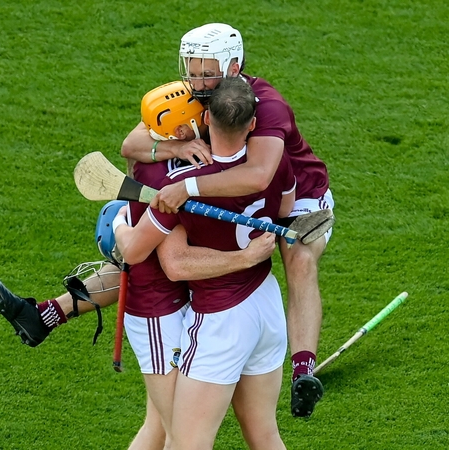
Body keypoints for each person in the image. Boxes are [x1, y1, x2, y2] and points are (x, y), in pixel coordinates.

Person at [0, 81, 276, 450]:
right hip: (158, 310)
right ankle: (45, 315)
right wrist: (122, 226)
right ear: (184, 128)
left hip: (175, 299)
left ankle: (46, 315)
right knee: (178, 437)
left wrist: (124, 216)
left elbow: (133, 145)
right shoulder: (171, 179)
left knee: (158, 428)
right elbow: (144, 253)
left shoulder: (156, 160)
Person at [120, 23, 333, 418]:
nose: (197, 82)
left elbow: (260, 175)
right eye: (192, 70)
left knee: (299, 258)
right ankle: (55, 310)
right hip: (233, 191)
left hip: (296, 193)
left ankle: (303, 371)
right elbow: (131, 144)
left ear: (233, 67)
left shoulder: (265, 107)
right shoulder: (189, 95)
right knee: (153, 260)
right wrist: (177, 147)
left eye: (206, 72)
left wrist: (187, 187)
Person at [114, 77, 292, 450]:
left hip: (221, 318)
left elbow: (156, 259)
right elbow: (287, 207)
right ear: (253, 124)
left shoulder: (180, 183)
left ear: (207, 118)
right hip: (267, 305)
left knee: (187, 444)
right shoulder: (273, 163)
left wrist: (118, 222)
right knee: (265, 434)